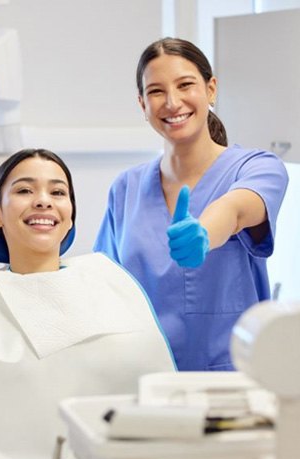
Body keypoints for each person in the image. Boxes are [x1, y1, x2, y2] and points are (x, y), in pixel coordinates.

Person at [0, 148, 175, 459]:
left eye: (58, 192)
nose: (43, 201)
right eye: (24, 190)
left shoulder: (111, 280)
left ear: (70, 214)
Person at [93, 37, 289, 372]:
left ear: (211, 89)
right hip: (144, 378)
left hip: (232, 382)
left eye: (185, 85)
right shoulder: (126, 188)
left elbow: (236, 208)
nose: (172, 102)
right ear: (142, 104)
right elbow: (102, 285)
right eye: (156, 91)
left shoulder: (257, 167)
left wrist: (205, 231)